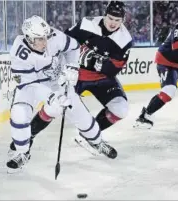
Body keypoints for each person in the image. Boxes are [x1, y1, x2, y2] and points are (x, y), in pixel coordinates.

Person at [7, 15, 117, 173]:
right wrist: (51, 97)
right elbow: (30, 86)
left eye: (45, 37)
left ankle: (97, 141)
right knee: (19, 113)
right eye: (39, 39)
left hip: (56, 81)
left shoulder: (54, 36)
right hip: (31, 84)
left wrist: (72, 66)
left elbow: (74, 47)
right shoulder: (18, 53)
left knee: (78, 111)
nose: (45, 42)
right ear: (29, 39)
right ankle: (22, 153)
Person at [64, 1, 132, 147]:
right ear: (104, 15)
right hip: (77, 75)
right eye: (110, 18)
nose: (113, 23)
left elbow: (114, 69)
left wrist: (91, 60)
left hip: (103, 79)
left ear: (123, 20)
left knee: (121, 109)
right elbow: (65, 42)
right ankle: (26, 139)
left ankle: (89, 135)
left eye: (117, 20)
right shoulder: (86, 24)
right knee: (60, 105)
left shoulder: (124, 40)